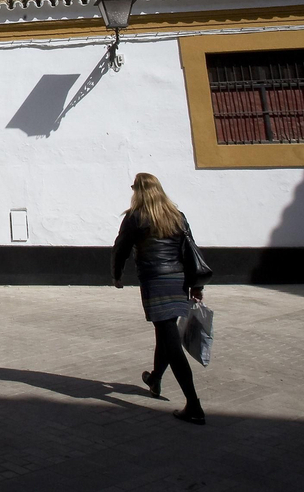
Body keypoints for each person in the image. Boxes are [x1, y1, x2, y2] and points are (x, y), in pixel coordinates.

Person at [111, 172, 207, 425]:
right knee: (164, 333)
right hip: (178, 281)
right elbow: (190, 250)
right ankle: (155, 378)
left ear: (138, 191)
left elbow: (120, 247)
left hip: (154, 282)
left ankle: (194, 404)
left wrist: (116, 274)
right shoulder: (177, 216)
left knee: (170, 340)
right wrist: (196, 285)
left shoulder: (135, 217)